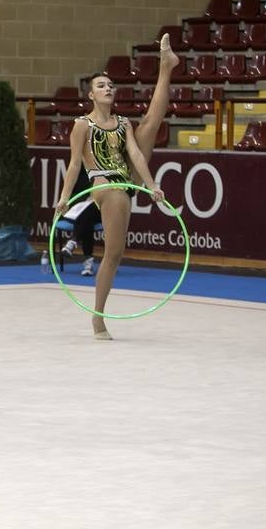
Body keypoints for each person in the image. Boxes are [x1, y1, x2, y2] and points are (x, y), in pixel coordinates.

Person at [54, 55, 172, 340]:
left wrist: (153, 185)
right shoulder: (82, 124)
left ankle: (166, 68)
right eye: (101, 85)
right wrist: (64, 198)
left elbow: (135, 155)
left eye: (110, 85)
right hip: (105, 184)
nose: (108, 89)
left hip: (126, 178)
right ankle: (98, 316)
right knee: (113, 253)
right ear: (91, 94)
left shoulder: (123, 123)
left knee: (151, 123)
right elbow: (73, 165)